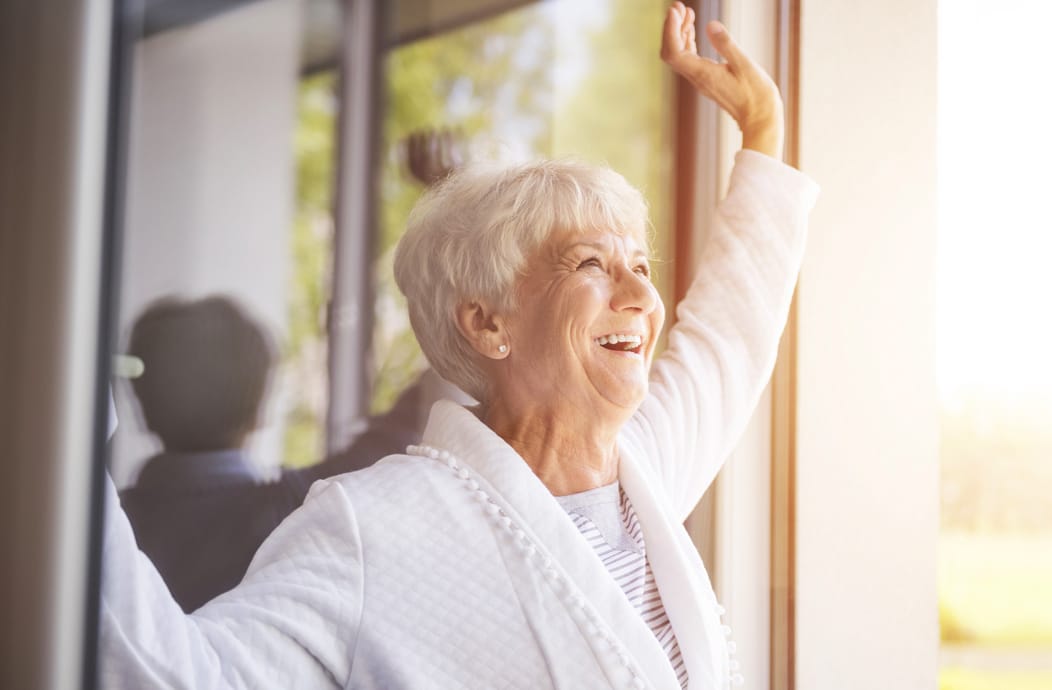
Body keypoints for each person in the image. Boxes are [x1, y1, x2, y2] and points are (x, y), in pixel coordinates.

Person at [99, 5, 819, 688]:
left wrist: (763, 132)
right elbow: (182, 677)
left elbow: (731, 331)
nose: (640, 297)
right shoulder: (374, 527)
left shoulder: (647, 466)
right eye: (592, 265)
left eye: (640, 265)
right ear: (487, 323)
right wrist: (57, 430)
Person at [118, 296, 410, 612]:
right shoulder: (292, 510)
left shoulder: (102, 523)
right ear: (259, 413)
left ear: (143, 407)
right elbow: (403, 428)